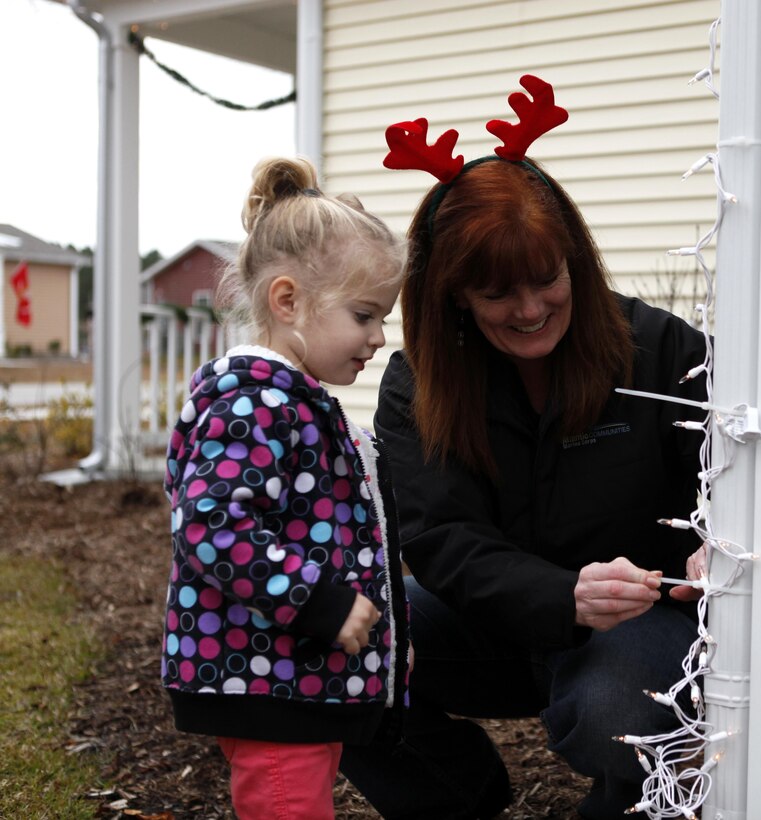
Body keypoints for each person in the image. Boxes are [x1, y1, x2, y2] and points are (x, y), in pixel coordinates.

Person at [339, 76, 709, 819]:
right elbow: (440, 538)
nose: (532, 308)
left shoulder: (661, 348)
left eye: (546, 280)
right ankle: (459, 799)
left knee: (619, 714)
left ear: (574, 257)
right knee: (335, 660)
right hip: (489, 625)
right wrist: (562, 595)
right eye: (499, 294)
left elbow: (728, 480)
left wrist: (716, 545)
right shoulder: (418, 384)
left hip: (647, 626)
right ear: (452, 294)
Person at [160, 157, 410, 820]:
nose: (378, 338)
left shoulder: (294, 402)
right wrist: (316, 602)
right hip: (264, 676)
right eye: (364, 315)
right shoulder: (254, 404)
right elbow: (209, 524)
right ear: (288, 300)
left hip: (292, 677)